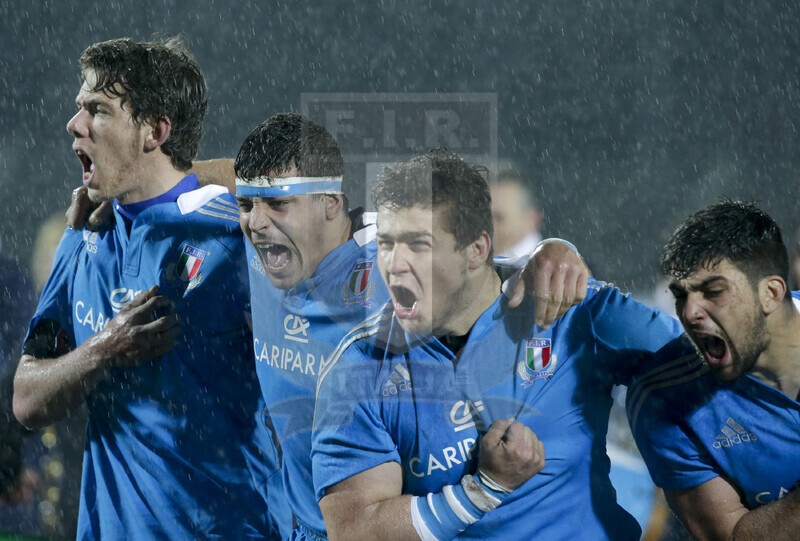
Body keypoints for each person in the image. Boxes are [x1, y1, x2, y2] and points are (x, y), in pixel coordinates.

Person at [232, 114, 590, 539]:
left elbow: (477, 278)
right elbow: (179, 179)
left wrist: (555, 251)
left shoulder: (392, 267)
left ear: (330, 202)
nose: (256, 220)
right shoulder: (247, 245)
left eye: (277, 203)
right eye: (246, 204)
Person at [311, 148, 685, 540]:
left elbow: (710, 370)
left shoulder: (571, 308)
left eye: (418, 244)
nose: (394, 264)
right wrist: (481, 492)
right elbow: (356, 531)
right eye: (386, 243)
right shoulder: (358, 368)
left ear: (477, 250)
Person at [12, 37, 285, 540]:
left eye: (97, 109)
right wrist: (104, 348)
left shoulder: (237, 237)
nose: (75, 125)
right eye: (79, 108)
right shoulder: (82, 236)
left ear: (155, 130)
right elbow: (28, 399)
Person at [626, 200, 800, 540]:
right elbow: (733, 537)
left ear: (771, 293)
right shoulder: (665, 397)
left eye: (713, 291)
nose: (690, 312)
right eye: (681, 295)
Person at [489, 169, 542, 259]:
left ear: (532, 220)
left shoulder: (554, 270)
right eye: (481, 216)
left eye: (498, 218)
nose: (484, 226)